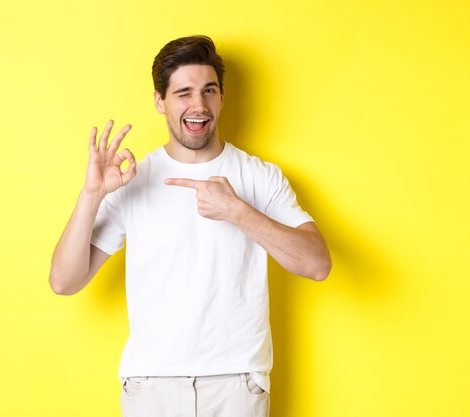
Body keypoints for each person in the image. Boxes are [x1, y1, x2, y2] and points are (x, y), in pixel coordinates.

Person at [49, 35, 331, 417]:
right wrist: (92, 194)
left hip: (237, 384)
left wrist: (238, 211)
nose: (198, 106)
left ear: (222, 96)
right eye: (183, 93)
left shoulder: (259, 176)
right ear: (159, 101)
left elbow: (316, 264)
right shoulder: (133, 179)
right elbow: (65, 281)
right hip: (152, 386)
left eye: (208, 91)